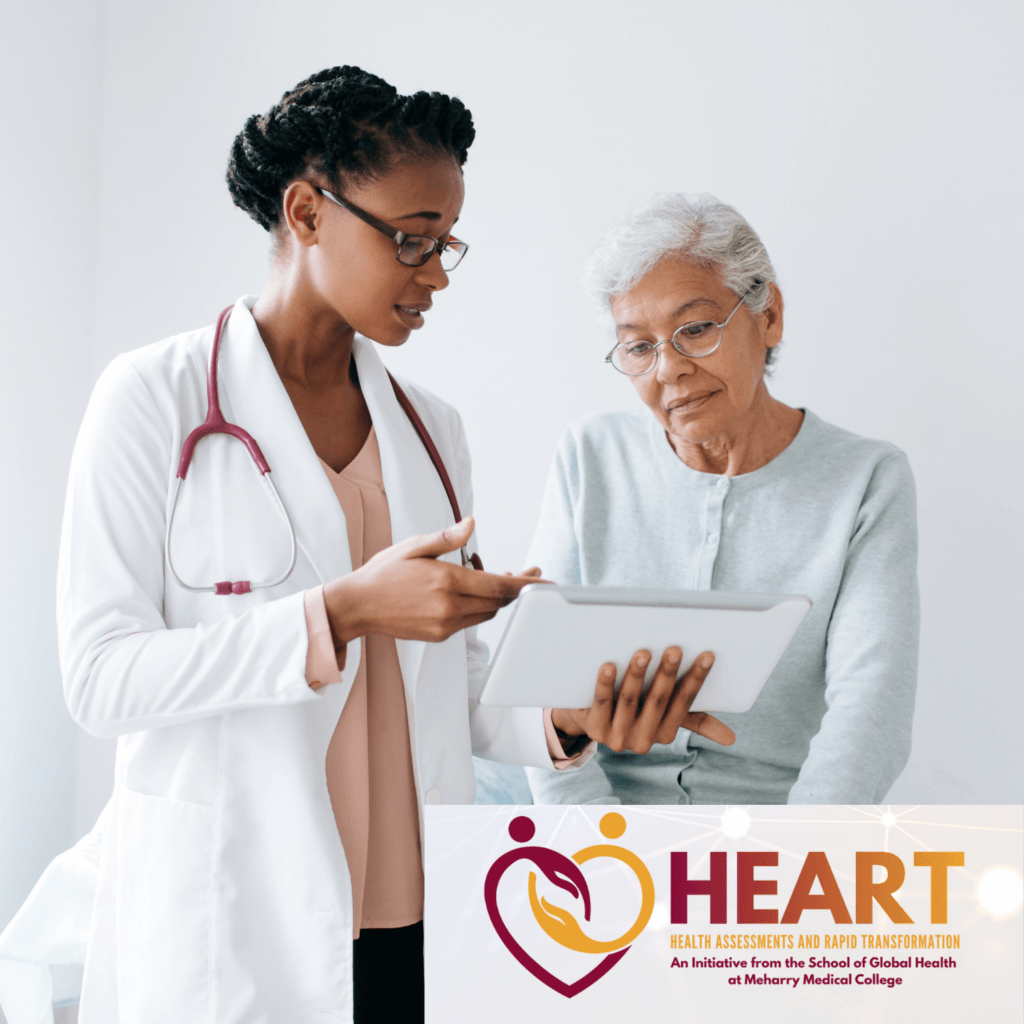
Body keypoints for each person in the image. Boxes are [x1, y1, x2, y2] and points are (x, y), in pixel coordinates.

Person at [0, 72, 729, 1024]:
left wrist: (566, 717)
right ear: (306, 210)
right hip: (235, 915)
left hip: (412, 918)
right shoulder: (152, 399)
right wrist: (339, 614)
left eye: (446, 245)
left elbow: (443, 683)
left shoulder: (433, 429)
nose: (434, 273)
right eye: (412, 238)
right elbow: (102, 680)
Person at [524, 192, 919, 808]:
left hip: (781, 838)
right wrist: (604, 854)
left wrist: (792, 862)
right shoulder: (589, 456)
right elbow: (542, 692)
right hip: (605, 834)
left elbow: (872, 711)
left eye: (696, 328)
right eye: (638, 346)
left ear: (769, 317)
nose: (668, 369)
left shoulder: (867, 479)